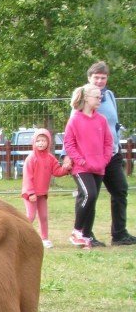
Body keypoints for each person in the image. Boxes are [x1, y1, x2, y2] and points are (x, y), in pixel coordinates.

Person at [86, 61, 136, 246]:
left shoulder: (110, 95)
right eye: (96, 77)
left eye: (103, 77)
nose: (99, 81)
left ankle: (120, 234)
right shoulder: (83, 96)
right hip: (93, 156)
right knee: (91, 195)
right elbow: (74, 125)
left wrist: (117, 146)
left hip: (112, 154)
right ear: (89, 78)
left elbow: (113, 124)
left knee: (120, 190)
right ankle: (86, 235)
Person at [64, 84, 112, 248]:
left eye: (101, 97)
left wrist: (104, 160)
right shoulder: (75, 120)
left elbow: (108, 143)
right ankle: (76, 231)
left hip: (99, 167)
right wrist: (81, 161)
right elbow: (69, 144)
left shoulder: (102, 120)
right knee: (89, 195)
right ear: (86, 97)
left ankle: (85, 236)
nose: (100, 100)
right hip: (81, 167)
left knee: (91, 201)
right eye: (97, 97)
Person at [21, 128, 71, 249]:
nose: (41, 143)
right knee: (30, 216)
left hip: (42, 194)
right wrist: (30, 193)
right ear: (34, 142)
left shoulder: (50, 158)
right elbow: (28, 177)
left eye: (44, 140)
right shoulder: (31, 158)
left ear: (48, 142)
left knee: (43, 216)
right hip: (30, 194)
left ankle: (44, 238)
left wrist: (66, 168)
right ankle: (22, 237)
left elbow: (57, 171)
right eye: (38, 141)